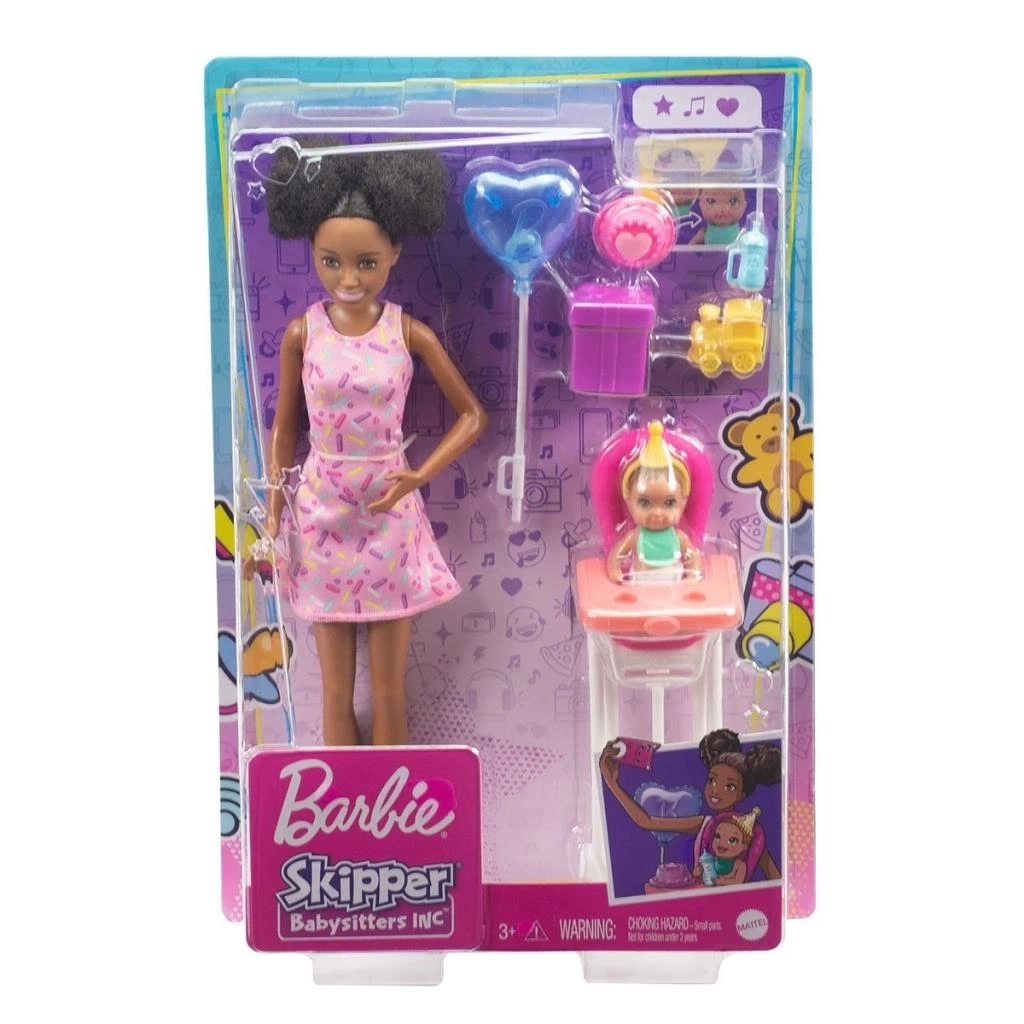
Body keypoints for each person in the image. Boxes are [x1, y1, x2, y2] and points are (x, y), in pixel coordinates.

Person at [244, 141, 487, 746]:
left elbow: (471, 415)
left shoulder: (409, 332)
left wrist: (418, 475)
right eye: (331, 262)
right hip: (322, 514)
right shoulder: (302, 333)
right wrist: (272, 517)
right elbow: (285, 430)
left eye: (366, 263)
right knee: (334, 691)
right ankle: (342, 801)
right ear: (313, 252)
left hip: (388, 512)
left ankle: (391, 799)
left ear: (394, 254)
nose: (348, 279)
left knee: (387, 690)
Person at [599, 728, 781, 881]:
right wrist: (612, 783)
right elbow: (647, 822)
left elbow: (776, 878)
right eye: (712, 780)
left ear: (741, 795)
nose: (716, 790)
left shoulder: (752, 834)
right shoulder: (704, 824)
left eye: (729, 786)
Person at [604, 421, 702, 582]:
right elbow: (616, 556)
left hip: (674, 584)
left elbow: (694, 557)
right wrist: (615, 571)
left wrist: (693, 573)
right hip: (642, 582)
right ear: (629, 502)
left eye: (669, 503)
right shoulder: (635, 537)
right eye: (644, 503)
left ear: (682, 502)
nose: (657, 513)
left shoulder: (679, 538)